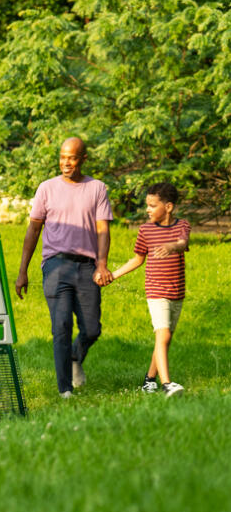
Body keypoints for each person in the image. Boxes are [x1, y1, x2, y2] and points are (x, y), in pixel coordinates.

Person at [16, 137, 114, 398]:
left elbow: (103, 230)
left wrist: (101, 264)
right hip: (56, 264)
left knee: (92, 328)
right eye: (62, 157)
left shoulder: (97, 189)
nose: (65, 162)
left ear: (83, 159)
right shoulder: (46, 189)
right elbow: (33, 229)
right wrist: (23, 271)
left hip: (86, 266)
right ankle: (65, 390)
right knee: (60, 327)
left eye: (71, 157)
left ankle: (74, 357)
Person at [109, 181, 189, 397]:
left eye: (153, 205)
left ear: (169, 207)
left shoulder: (182, 226)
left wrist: (172, 246)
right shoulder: (145, 230)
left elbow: (182, 243)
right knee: (162, 335)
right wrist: (113, 275)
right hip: (156, 291)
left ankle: (149, 380)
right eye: (148, 205)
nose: (148, 209)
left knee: (166, 339)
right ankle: (167, 385)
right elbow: (137, 259)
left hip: (177, 292)